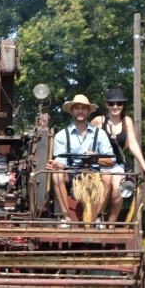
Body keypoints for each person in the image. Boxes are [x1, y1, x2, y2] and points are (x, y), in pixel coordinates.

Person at [46, 94, 115, 222]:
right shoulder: (61, 135)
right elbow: (61, 162)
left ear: (88, 111)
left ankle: (97, 218)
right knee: (56, 175)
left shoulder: (99, 134)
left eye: (83, 108)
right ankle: (66, 217)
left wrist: (95, 159)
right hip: (72, 172)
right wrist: (56, 165)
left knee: (108, 175)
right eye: (76, 108)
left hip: (94, 173)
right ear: (71, 111)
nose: (80, 111)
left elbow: (111, 161)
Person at [90, 88, 145, 224]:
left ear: (123, 105)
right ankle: (96, 219)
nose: (115, 107)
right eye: (112, 104)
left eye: (119, 103)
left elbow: (133, 143)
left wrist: (142, 163)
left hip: (117, 164)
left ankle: (111, 224)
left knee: (118, 190)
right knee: (107, 179)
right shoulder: (99, 121)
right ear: (106, 105)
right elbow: (86, 138)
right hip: (100, 163)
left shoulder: (126, 121)